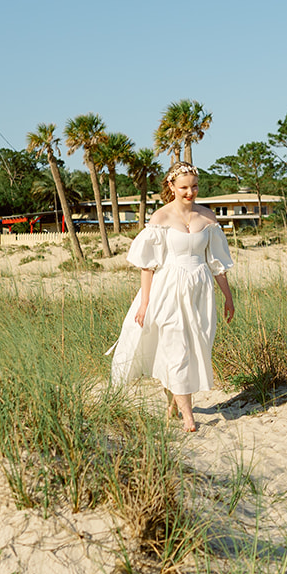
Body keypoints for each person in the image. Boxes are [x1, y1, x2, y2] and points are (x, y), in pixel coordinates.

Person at [110, 164, 235, 432]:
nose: (190, 192)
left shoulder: (208, 218)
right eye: (184, 187)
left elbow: (216, 263)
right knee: (176, 348)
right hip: (168, 289)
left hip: (200, 291)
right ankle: (189, 416)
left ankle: (173, 404)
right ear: (171, 187)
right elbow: (148, 266)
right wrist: (145, 303)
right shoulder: (160, 218)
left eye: (194, 186)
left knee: (194, 348)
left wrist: (228, 297)